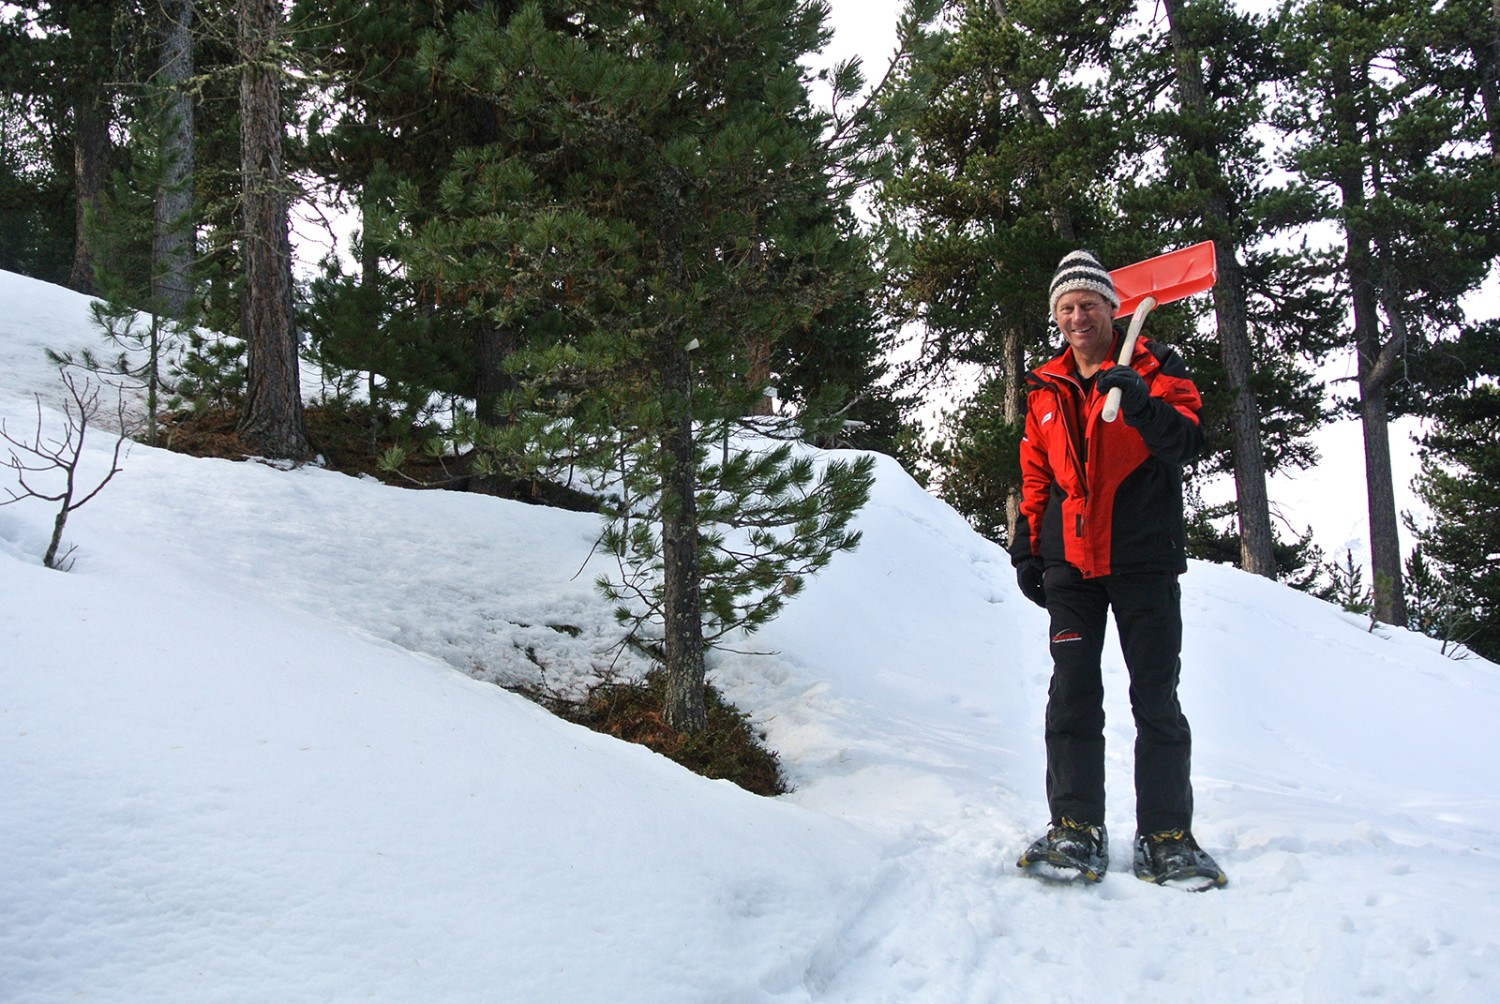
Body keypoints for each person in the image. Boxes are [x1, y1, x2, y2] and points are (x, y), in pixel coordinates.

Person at [1010, 249, 1224, 886]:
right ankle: (1076, 826)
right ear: (1058, 317)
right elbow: (1034, 475)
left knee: (1155, 696)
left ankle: (1167, 834)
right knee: (1072, 693)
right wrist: (1029, 550)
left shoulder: (1156, 369)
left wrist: (1139, 404)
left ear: (1113, 309)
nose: (1078, 317)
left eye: (1089, 305)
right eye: (1067, 308)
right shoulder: (1046, 389)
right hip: (1072, 565)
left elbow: (1188, 441)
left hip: (1142, 559)